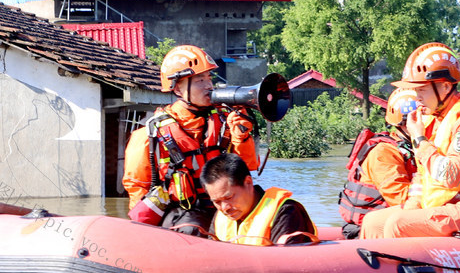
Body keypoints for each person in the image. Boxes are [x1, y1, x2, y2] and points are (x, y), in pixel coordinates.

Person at [339, 72, 460, 239]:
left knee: (397, 223)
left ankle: (406, 272)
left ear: (445, 87)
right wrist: (413, 207)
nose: (417, 99)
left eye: (421, 90)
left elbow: (449, 176)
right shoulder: (392, 146)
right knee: (373, 222)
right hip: (446, 205)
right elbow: (421, 181)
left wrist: (419, 138)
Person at [122, 45, 259, 234]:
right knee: (192, 227)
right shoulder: (148, 135)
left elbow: (247, 168)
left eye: (209, 78)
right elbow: (136, 188)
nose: (209, 86)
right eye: (199, 80)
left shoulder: (225, 121)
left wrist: (241, 136)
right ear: (177, 88)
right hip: (181, 213)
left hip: (225, 206)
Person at [338, 88, 420, 239]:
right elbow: (401, 199)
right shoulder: (384, 152)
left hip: (396, 225)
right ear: (406, 121)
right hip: (374, 231)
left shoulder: (416, 148)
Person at [199, 153, 317, 245]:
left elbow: (286, 266)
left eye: (229, 197)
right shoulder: (220, 216)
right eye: (217, 201)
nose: (224, 207)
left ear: (248, 182)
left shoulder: (286, 212)